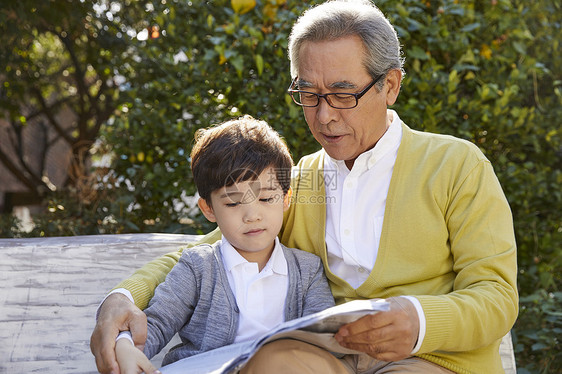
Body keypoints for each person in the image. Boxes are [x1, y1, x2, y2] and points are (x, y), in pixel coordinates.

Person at [91, 1, 518, 373]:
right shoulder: (298, 184)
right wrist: (121, 296)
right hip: (331, 358)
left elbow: (497, 296)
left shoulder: (456, 165)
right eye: (308, 94)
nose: (324, 116)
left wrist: (420, 320)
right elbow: (206, 250)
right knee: (274, 364)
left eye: (342, 94)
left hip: (432, 359)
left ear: (390, 85)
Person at [108, 115, 335, 373]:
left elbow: (322, 335)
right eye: (233, 203)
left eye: (266, 198)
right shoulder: (197, 268)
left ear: (286, 198)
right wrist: (127, 344)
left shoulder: (307, 271)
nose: (252, 215)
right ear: (208, 209)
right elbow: (157, 323)